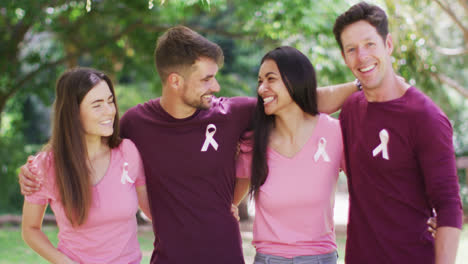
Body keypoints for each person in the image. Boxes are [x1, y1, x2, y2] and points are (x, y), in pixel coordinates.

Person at [19, 26, 359, 263]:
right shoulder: (136, 123)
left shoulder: (232, 112)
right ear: (175, 80)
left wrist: (364, 83)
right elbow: (87, 135)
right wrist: (35, 169)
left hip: (226, 257)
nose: (216, 85)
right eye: (206, 78)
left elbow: (300, 99)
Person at [332, 2, 463, 264]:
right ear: (345, 58)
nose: (362, 56)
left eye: (370, 44)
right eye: (351, 49)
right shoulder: (349, 110)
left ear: (388, 45)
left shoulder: (425, 116)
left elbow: (448, 205)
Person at [21, 68, 151, 264]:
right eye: (97, 105)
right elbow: (30, 229)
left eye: (110, 101)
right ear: (73, 113)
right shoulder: (45, 166)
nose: (110, 110)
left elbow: (150, 209)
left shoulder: (128, 152)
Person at [234, 46, 344, 264]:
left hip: (321, 258)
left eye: (270, 79)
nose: (262, 88)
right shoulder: (254, 142)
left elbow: (370, 186)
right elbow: (229, 202)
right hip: (267, 259)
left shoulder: (335, 133)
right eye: (259, 81)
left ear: (295, 80)